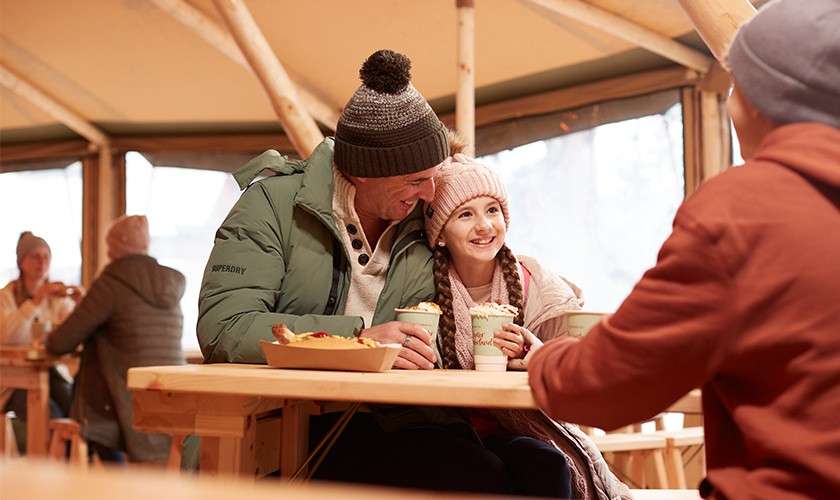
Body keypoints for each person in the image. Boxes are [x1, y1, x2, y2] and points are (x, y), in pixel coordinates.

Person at [528, 1, 840, 498]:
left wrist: (544, 358)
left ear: (756, 102)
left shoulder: (743, 211)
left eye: (737, 82)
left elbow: (606, 388)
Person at [200, 49, 523, 493]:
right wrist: (358, 341)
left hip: (397, 416)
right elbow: (224, 328)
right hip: (288, 421)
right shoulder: (271, 207)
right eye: (415, 180)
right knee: (473, 476)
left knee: (541, 468)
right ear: (365, 174)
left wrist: (513, 343)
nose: (431, 194)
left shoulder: (419, 220)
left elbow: (473, 281)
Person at [423, 152, 629, 499]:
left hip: (523, 423)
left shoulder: (532, 281)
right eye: (465, 214)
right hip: (450, 426)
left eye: (492, 210)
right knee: (477, 470)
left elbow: (579, 355)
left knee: (546, 464)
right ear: (440, 235)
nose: (485, 225)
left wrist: (534, 351)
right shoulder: (423, 287)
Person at [46, 215, 186, 463]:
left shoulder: (111, 282)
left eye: (109, 245)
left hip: (124, 404)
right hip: (170, 403)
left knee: (83, 414)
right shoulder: (168, 283)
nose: (107, 253)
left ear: (118, 245)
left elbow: (59, 343)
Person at [0, 231, 79, 450]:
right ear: (22, 261)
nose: (42, 262)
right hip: (12, 381)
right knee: (49, 414)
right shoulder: (6, 296)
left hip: (50, 373)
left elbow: (75, 331)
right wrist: (35, 302)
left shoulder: (56, 298)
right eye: (35, 256)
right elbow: (7, 337)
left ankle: (73, 465)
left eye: (46, 256)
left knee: (76, 408)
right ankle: (50, 469)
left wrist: (80, 303)